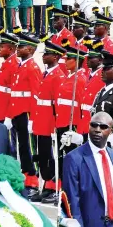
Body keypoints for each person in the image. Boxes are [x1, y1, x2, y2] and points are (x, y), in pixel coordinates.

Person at [5, 32, 42, 198]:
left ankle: (32, 180)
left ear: (31, 49)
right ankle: (25, 177)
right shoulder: (21, 66)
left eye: (21, 46)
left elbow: (35, 95)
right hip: (17, 112)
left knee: (28, 148)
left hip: (26, 113)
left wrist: (33, 118)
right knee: (21, 147)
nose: (18, 49)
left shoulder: (33, 68)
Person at [31, 41, 66, 203]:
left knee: (52, 157)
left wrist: (55, 125)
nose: (44, 57)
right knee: (44, 155)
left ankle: (54, 187)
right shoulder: (46, 73)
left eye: (47, 54)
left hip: (50, 122)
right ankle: (47, 185)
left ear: (56, 57)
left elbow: (57, 104)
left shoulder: (58, 76)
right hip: (41, 120)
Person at [0, 31, 20, 123]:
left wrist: (9, 115)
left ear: (11, 49)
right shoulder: (7, 62)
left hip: (5, 108)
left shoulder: (15, 65)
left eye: (2, 47)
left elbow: (14, 93)